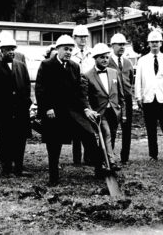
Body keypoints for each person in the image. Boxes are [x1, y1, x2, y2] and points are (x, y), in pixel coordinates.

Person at [35, 34, 106, 186]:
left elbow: (80, 92)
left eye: (70, 49)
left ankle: (99, 169)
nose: (68, 52)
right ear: (58, 49)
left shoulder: (74, 66)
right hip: (54, 112)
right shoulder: (47, 65)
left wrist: (86, 109)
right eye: (65, 49)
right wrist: (47, 108)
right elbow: (40, 89)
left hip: (74, 112)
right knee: (54, 145)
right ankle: (53, 177)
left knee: (89, 135)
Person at [0, 37, 32, 177]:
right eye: (7, 49)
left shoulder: (21, 65)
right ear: (1, 51)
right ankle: (6, 168)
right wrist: (0, 104)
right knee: (5, 137)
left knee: (20, 137)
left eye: (13, 49)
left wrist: (26, 102)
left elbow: (26, 85)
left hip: (20, 108)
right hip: (4, 110)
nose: (11, 52)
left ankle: (19, 167)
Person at [135, 30, 163, 162]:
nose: (154, 44)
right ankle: (153, 155)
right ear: (148, 43)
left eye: (157, 42)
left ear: (161, 43)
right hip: (148, 99)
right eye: (152, 42)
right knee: (151, 129)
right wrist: (138, 97)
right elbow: (138, 80)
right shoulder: (142, 60)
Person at [83, 43, 125, 171]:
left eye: (107, 57)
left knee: (110, 135)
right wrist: (90, 110)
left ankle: (103, 161)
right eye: (102, 57)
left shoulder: (114, 72)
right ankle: (111, 161)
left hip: (113, 110)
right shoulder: (88, 75)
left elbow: (121, 94)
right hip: (99, 112)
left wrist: (123, 112)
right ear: (95, 58)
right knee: (106, 133)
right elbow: (85, 97)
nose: (105, 60)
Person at [107, 33, 135, 164]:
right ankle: (109, 156)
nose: (122, 47)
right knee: (112, 128)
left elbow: (131, 79)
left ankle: (125, 157)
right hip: (113, 100)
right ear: (112, 46)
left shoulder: (128, 62)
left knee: (127, 128)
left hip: (127, 100)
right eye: (119, 44)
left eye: (123, 44)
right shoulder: (108, 62)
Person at [70, 24, 94, 165]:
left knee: (88, 125)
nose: (83, 39)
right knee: (76, 125)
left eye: (85, 37)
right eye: (80, 37)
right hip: (74, 93)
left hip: (88, 92)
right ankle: (76, 157)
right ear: (74, 38)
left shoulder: (91, 54)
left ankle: (88, 156)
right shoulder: (70, 53)